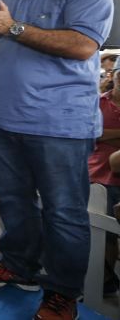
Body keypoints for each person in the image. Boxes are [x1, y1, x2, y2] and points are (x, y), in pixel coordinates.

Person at [0, 0, 113, 319]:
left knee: (63, 211)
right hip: (3, 122)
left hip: (60, 127)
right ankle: (18, 267)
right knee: (13, 203)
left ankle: (63, 293)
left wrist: (10, 26)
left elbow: (83, 45)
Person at [88, 56, 120, 295]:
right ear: (113, 76)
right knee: (100, 230)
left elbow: (100, 133)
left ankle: (106, 276)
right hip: (97, 174)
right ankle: (103, 277)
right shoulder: (98, 102)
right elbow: (92, 132)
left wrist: (107, 134)